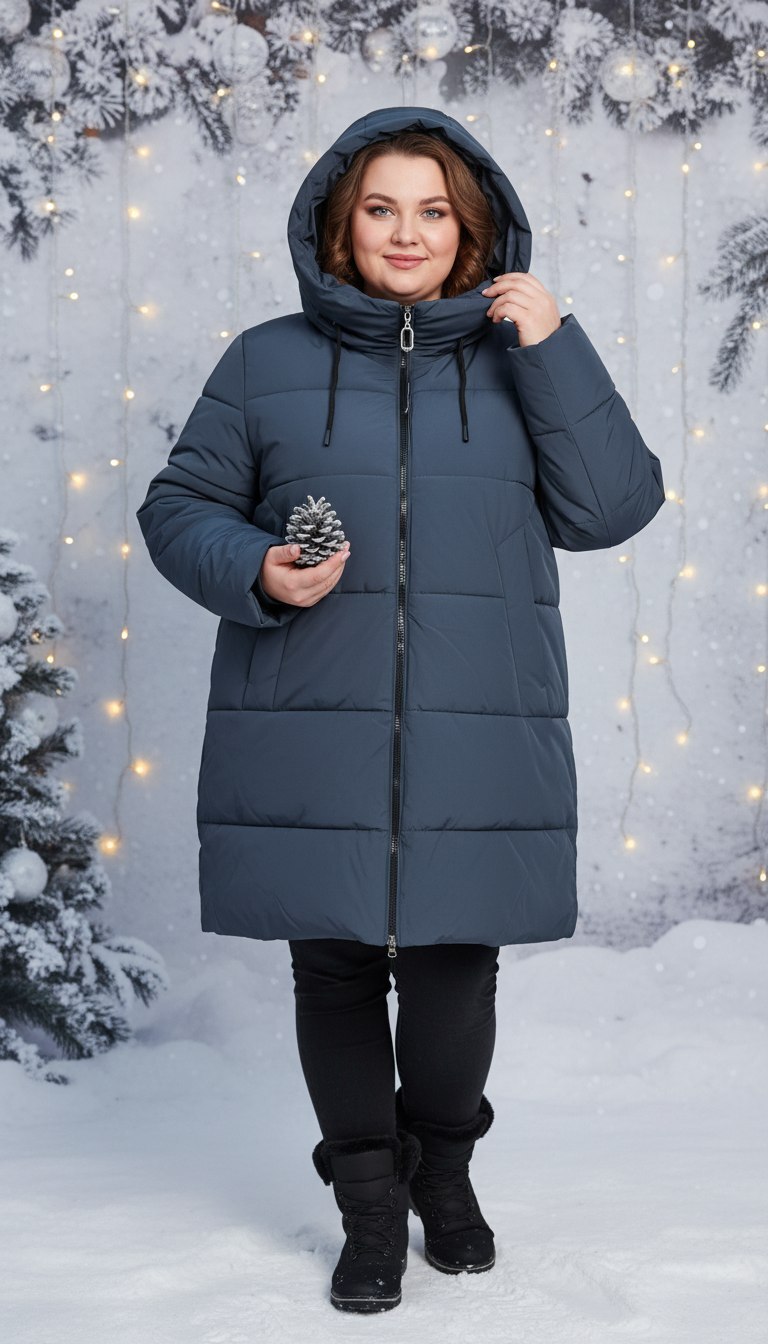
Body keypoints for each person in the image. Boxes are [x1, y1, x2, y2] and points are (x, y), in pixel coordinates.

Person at [135, 105, 666, 1314]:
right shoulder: (264, 361)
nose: (407, 232)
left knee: (453, 971)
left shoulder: (527, 356)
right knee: (332, 970)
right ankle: (370, 1209)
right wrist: (256, 567)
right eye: (382, 208)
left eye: (434, 210)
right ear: (342, 223)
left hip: (479, 725)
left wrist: (558, 346)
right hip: (308, 724)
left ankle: (446, 1174)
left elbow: (613, 508)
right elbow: (179, 508)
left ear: (473, 230)